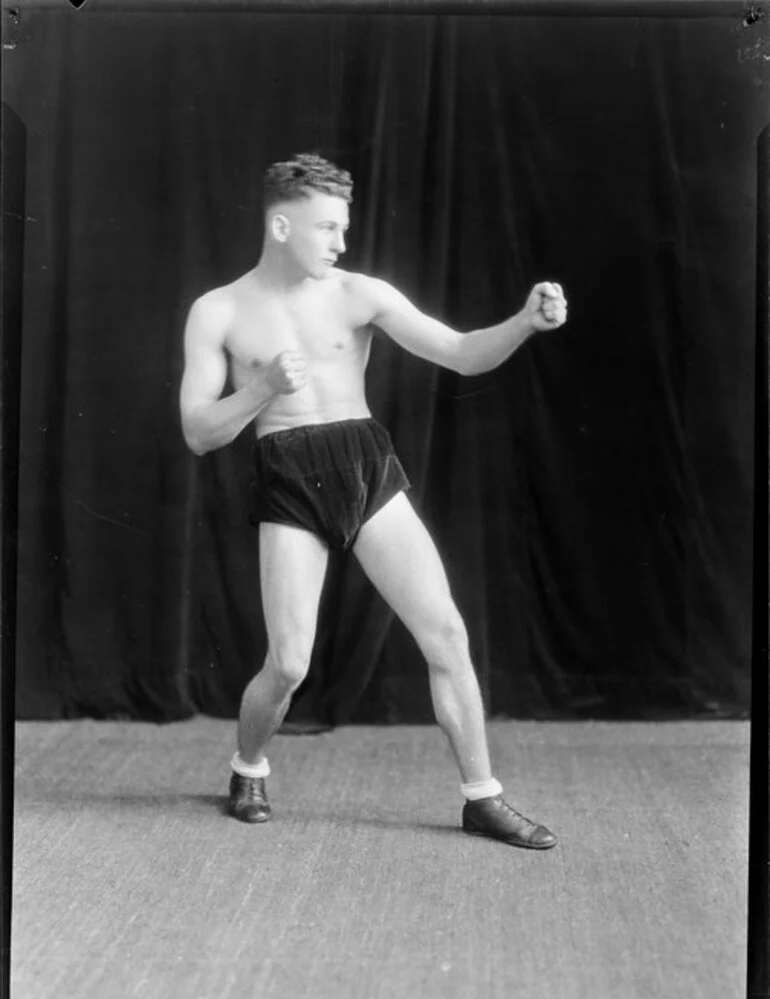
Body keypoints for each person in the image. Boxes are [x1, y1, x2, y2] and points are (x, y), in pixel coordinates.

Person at [180, 153, 568, 849]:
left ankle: (483, 798)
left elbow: (459, 351)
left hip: (365, 461)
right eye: (327, 227)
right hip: (288, 473)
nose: (340, 242)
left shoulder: (360, 292)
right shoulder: (220, 309)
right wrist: (263, 388)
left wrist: (521, 324)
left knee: (446, 633)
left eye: (344, 228)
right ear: (279, 225)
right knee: (290, 663)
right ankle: (249, 765)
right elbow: (199, 432)